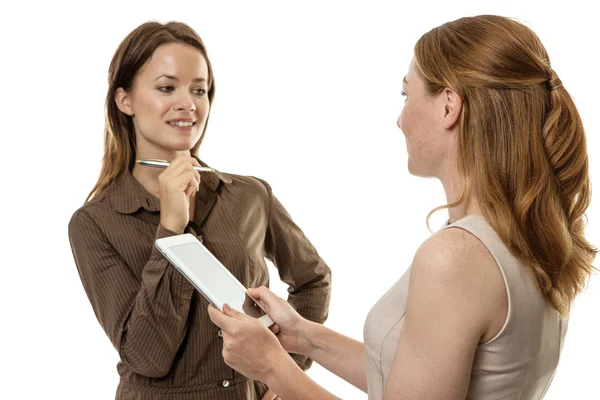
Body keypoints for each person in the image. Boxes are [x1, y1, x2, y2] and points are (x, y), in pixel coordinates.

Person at [208, 14, 597, 400]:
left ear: (448, 107)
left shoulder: (456, 257)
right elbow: (416, 376)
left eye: (406, 94)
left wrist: (273, 369)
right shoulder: (520, 233)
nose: (400, 119)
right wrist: (305, 337)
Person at [68, 21, 331, 400]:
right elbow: (146, 356)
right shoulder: (94, 223)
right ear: (124, 100)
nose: (188, 104)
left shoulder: (250, 195)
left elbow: (312, 280)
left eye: (199, 90)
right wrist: (172, 231)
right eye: (166, 87)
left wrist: (281, 374)